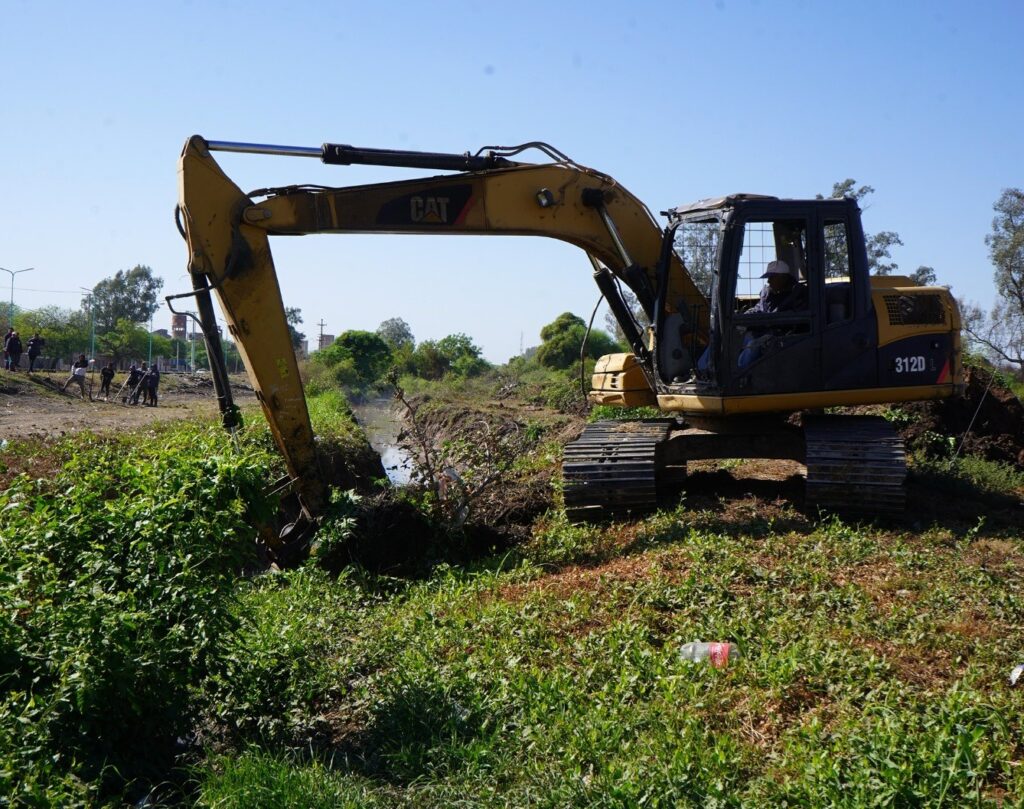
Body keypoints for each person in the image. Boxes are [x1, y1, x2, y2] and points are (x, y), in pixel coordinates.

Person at [737, 259, 807, 367]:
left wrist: (766, 321)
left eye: (772, 277)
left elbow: (793, 318)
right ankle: (704, 371)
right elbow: (758, 308)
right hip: (761, 331)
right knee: (731, 336)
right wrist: (744, 317)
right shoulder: (767, 293)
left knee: (753, 346)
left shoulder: (798, 293)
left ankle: (739, 375)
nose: (768, 281)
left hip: (780, 336)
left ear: (783, 277)